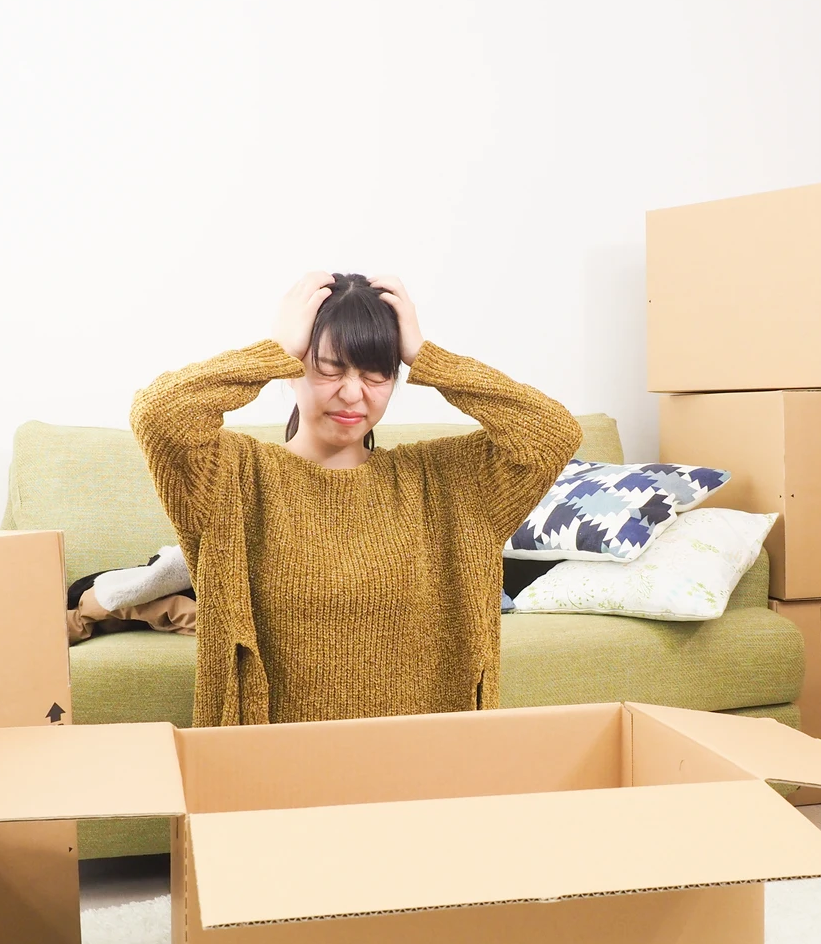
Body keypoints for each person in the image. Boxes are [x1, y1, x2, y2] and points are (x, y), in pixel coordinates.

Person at [131, 272, 582, 726]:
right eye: (329, 369)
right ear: (293, 371)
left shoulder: (448, 481)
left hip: (425, 755)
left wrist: (427, 356)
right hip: (271, 758)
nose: (352, 394)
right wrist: (274, 350)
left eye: (375, 374)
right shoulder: (231, 478)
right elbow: (159, 413)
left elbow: (552, 433)